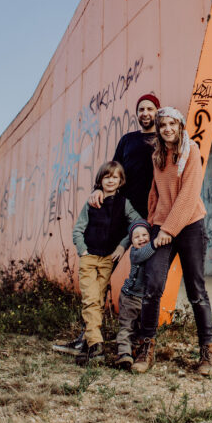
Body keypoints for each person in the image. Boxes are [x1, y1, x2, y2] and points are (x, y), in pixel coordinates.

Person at [52, 93, 160, 356]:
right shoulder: (128, 140)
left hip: (148, 219)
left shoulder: (164, 140)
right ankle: (88, 339)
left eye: (150, 108)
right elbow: (111, 169)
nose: (145, 112)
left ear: (157, 112)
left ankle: (139, 339)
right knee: (98, 282)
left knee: (145, 280)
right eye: (141, 108)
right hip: (118, 215)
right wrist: (97, 190)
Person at [133, 106, 212, 377]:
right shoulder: (158, 155)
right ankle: (146, 347)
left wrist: (169, 229)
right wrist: (153, 222)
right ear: (158, 129)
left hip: (190, 225)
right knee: (152, 286)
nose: (167, 128)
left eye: (172, 124)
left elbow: (189, 194)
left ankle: (207, 351)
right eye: (162, 125)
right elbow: (156, 191)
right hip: (162, 226)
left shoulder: (190, 152)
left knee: (196, 290)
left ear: (180, 125)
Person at [71, 161, 141, 365]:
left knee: (98, 300)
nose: (111, 180)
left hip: (107, 259)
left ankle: (90, 343)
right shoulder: (92, 202)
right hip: (89, 258)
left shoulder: (124, 203)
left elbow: (137, 224)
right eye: (106, 177)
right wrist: (82, 251)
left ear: (121, 181)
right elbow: (78, 229)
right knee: (90, 299)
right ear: (100, 180)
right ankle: (96, 345)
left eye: (115, 177)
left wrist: (122, 246)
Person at [115, 219, 155, 369]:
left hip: (143, 299)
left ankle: (134, 351)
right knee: (127, 326)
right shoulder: (135, 252)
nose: (141, 239)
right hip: (129, 297)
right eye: (136, 237)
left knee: (139, 327)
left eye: (145, 235)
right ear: (131, 241)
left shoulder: (150, 251)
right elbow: (144, 254)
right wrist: (155, 243)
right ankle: (123, 354)